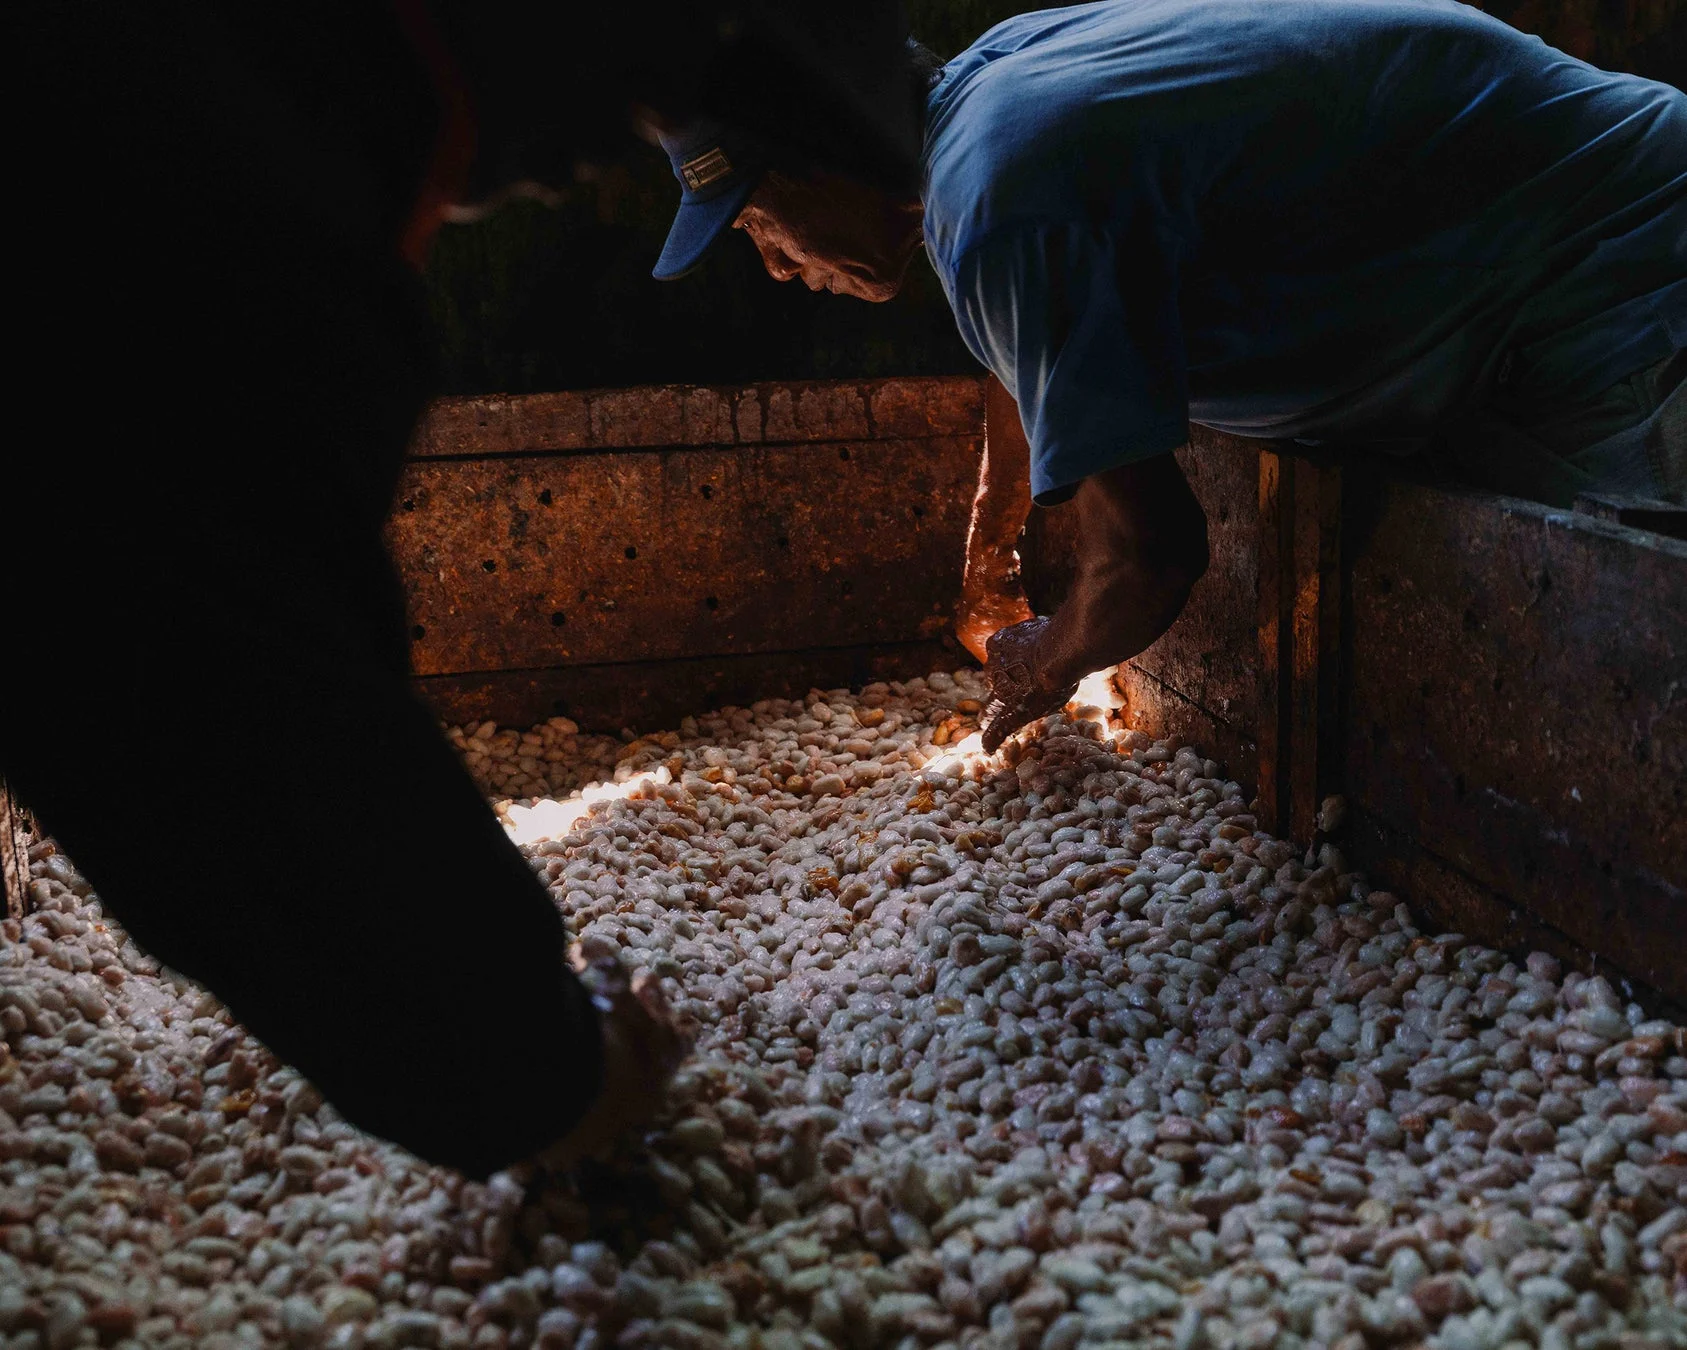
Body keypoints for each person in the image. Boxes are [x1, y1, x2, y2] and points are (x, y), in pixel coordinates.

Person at [3, 2, 918, 1178]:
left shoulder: (270, 115)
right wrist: (536, 1074)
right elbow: (195, 692)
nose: (598, 160)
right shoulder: (204, 167)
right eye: (646, 88)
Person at [653, 0, 1687, 751]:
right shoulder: (990, 90)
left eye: (754, 223)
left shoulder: (999, 194)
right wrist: (996, 527)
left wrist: (1046, 661)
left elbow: (1153, 554)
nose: (777, 265)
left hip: (1630, 275)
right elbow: (1036, 327)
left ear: (826, 155)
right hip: (1546, 296)